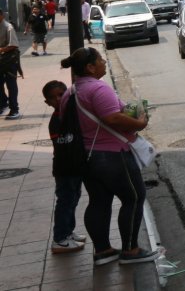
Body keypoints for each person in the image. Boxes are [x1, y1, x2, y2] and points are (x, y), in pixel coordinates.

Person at [60, 47, 161, 266]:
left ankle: (103, 251)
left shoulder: (71, 92)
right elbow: (113, 119)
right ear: (90, 67)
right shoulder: (98, 88)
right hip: (111, 155)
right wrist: (140, 124)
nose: (104, 63)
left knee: (98, 201)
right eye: (101, 60)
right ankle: (130, 251)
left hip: (86, 157)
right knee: (133, 197)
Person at [42, 80, 87, 254]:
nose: (58, 99)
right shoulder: (57, 120)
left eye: (61, 95)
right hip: (64, 169)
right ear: (47, 103)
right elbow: (63, 145)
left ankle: (68, 232)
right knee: (65, 202)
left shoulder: (69, 114)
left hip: (74, 168)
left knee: (73, 200)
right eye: (53, 98)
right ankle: (60, 238)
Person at [0, 9, 22, 120]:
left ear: (1, 16)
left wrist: (1, 49)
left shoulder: (8, 27)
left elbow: (13, 45)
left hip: (9, 60)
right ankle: (3, 103)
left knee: (11, 85)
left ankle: (14, 109)